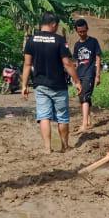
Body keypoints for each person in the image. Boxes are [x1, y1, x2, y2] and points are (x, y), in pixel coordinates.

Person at [21, 12, 82, 154]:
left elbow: (27, 64)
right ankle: (64, 146)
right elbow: (67, 64)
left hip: (40, 85)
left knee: (43, 116)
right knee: (62, 117)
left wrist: (24, 85)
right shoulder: (59, 40)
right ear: (53, 24)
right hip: (58, 85)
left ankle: (47, 148)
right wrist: (77, 81)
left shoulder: (31, 40)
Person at [71, 18, 102, 132]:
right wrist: (74, 77)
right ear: (77, 31)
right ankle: (88, 120)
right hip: (79, 74)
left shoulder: (93, 42)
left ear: (87, 29)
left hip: (90, 73)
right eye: (80, 32)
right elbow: (75, 62)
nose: (82, 33)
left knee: (85, 96)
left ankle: (84, 124)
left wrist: (98, 75)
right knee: (82, 97)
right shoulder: (76, 45)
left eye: (84, 31)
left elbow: (98, 58)